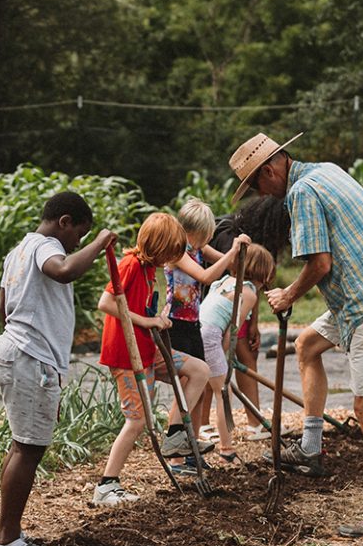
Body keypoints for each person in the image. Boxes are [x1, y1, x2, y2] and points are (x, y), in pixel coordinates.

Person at [230, 132, 363, 538]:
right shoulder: (326, 172)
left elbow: (321, 263)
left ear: (270, 170)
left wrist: (288, 294)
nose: (260, 195)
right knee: (306, 345)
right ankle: (311, 448)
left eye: (256, 186)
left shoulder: (302, 193)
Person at [0, 191, 116, 546]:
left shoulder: (17, 251)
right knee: (29, 449)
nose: (77, 242)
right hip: (30, 355)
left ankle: (7, 532)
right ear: (64, 222)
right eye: (79, 233)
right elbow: (64, 271)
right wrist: (100, 241)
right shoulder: (45, 247)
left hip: (16, 351)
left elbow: (3, 306)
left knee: (21, 444)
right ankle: (7, 539)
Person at [93, 212, 213, 506]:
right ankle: (107, 485)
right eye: (170, 252)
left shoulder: (149, 269)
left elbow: (139, 308)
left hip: (147, 350)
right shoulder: (131, 265)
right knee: (136, 421)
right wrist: (144, 323)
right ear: (156, 246)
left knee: (199, 370)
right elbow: (106, 302)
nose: (173, 258)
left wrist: (156, 319)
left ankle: (174, 434)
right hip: (126, 354)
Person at [166, 198, 250, 442]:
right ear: (194, 231)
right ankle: (176, 447)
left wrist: (239, 248)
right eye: (205, 234)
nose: (207, 240)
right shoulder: (178, 251)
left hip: (193, 322)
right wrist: (232, 251)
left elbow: (228, 262)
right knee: (185, 387)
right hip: (176, 323)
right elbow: (205, 276)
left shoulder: (198, 248)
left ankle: (189, 444)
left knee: (198, 389)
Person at [207, 195, 290, 438]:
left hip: (237, 310)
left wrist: (253, 324)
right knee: (212, 366)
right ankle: (205, 424)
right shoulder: (232, 238)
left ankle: (254, 422)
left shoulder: (265, 244)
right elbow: (235, 285)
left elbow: (255, 288)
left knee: (245, 357)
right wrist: (231, 334)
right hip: (219, 313)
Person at [198, 242, 276, 460]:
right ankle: (226, 447)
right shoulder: (249, 294)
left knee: (197, 387)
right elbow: (231, 332)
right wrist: (223, 356)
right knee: (223, 392)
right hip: (211, 336)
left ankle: (192, 437)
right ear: (263, 273)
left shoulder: (223, 281)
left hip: (196, 329)